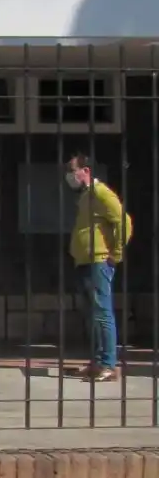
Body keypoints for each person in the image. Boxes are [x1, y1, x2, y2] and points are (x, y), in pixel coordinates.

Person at [67, 153, 132, 383]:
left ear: (86, 171)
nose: (69, 175)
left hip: (99, 260)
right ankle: (96, 361)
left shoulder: (101, 193)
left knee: (103, 312)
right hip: (83, 260)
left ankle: (108, 363)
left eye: (72, 170)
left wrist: (116, 253)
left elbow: (123, 222)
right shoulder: (85, 196)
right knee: (91, 314)